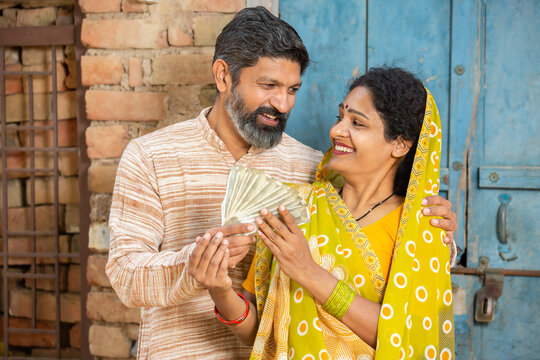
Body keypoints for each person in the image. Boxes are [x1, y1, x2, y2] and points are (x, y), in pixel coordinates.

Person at [107, 7, 457, 359]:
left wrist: (436, 233)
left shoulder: (312, 170)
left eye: (292, 89)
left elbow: (376, 240)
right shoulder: (151, 157)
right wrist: (197, 266)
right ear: (223, 76)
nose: (283, 103)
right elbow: (124, 275)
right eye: (268, 85)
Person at [191, 67, 455, 360]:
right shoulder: (294, 208)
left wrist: (309, 273)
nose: (337, 130)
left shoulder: (422, 226)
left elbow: (409, 337)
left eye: (357, 123)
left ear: (400, 144)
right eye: (340, 117)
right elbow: (262, 332)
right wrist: (221, 291)